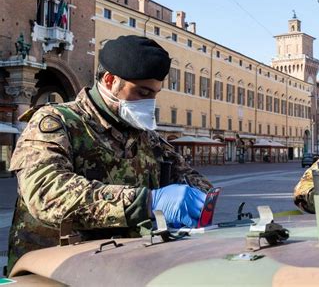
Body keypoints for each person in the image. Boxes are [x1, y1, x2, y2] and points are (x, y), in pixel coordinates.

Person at [6, 35, 213, 275]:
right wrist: (146, 202)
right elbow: (45, 192)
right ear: (110, 80)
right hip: (54, 268)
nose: (149, 102)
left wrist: (202, 199)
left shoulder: (146, 136)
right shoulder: (55, 122)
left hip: (120, 267)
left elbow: (188, 177)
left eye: (155, 94)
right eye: (142, 92)